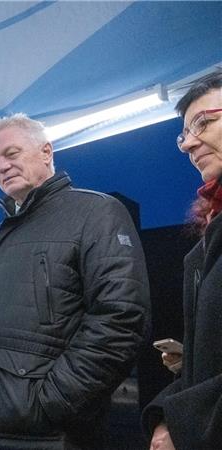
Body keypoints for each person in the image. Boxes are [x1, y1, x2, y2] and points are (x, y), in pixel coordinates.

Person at [0, 113, 150, 449]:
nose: (2, 166)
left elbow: (121, 319)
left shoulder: (96, 212)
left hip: (47, 435)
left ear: (47, 152)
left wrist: (50, 402)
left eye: (12, 154)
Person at [142, 69, 222, 450]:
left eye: (203, 123)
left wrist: (184, 424)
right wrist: (194, 358)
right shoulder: (207, 238)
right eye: (184, 133)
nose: (189, 144)